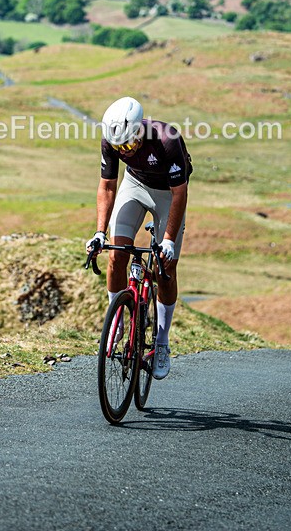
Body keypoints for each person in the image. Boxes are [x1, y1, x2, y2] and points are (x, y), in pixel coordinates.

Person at [86, 96, 192, 380]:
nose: (125, 151)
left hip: (168, 193)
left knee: (164, 268)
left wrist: (168, 239)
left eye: (130, 144)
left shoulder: (167, 139)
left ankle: (161, 341)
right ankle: (117, 321)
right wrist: (99, 232)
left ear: (140, 130)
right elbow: (108, 185)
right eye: (120, 148)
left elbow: (180, 194)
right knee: (116, 254)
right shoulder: (111, 139)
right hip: (135, 184)